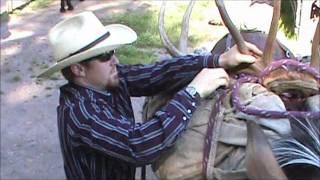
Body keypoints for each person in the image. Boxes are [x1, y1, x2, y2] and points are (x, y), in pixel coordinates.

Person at [37, 11, 262, 180]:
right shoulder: (79, 114)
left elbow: (157, 73)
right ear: (78, 70)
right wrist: (194, 91)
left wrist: (217, 60)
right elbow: (139, 145)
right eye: (105, 56)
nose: (115, 60)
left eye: (112, 51)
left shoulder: (108, 80)